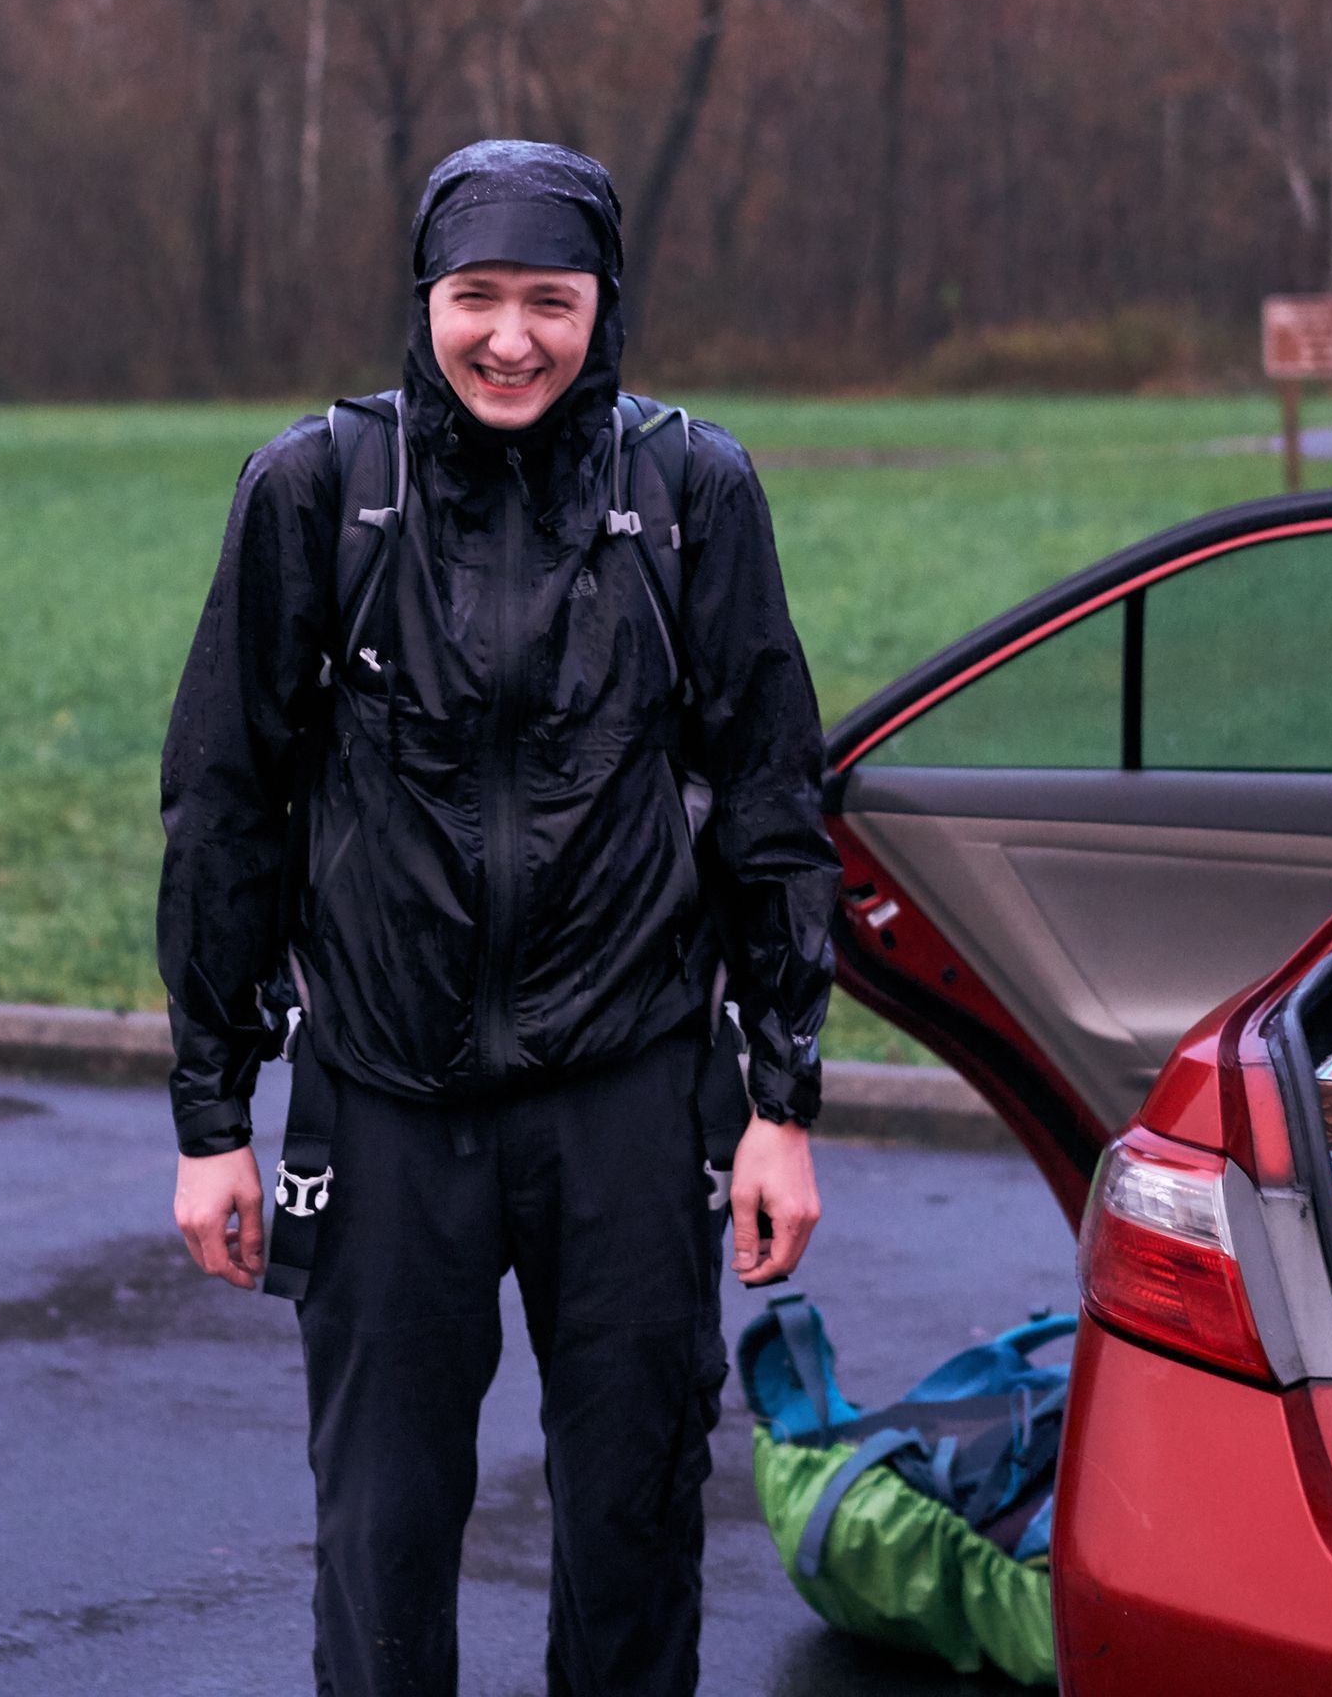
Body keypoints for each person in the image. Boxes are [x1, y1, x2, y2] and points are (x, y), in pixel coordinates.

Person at [158, 137, 839, 1697]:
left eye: (552, 298)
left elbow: (769, 802)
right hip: (388, 1108)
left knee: (635, 1525)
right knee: (382, 1546)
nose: (512, 338)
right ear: (426, 299)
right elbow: (225, 812)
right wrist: (213, 1114)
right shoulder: (317, 494)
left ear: (607, 305)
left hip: (629, 1101)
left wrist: (780, 1104)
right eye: (477, 296)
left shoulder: (693, 493)